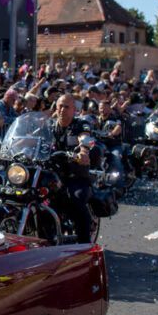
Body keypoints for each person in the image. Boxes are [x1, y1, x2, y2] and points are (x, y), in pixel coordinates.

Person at [50, 94, 95, 244]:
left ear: (74, 109)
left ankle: (85, 245)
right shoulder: (49, 125)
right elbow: (32, 138)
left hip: (75, 174)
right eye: (60, 106)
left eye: (66, 107)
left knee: (77, 200)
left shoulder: (81, 124)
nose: (62, 110)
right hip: (53, 174)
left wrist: (83, 151)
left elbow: (84, 138)